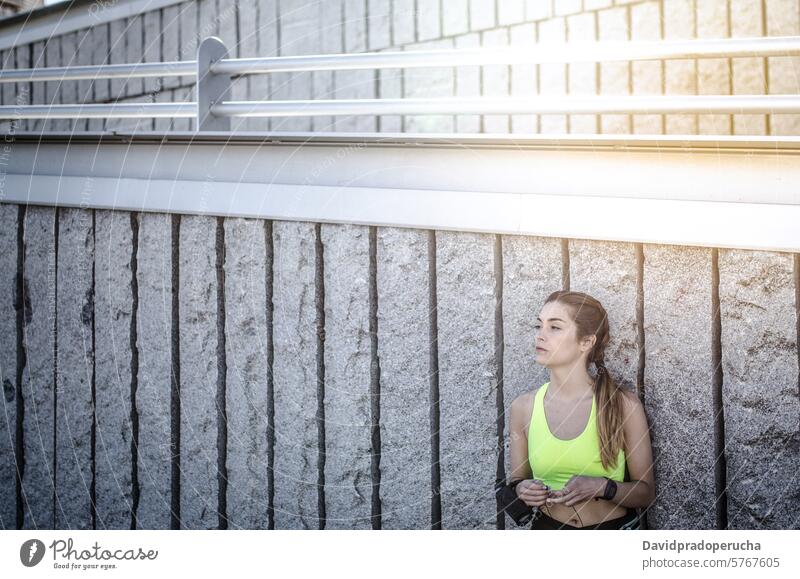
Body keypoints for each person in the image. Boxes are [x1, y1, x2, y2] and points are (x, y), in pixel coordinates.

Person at [505, 290, 655, 530]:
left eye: (554, 327)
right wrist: (522, 489)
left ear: (586, 341)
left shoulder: (623, 405)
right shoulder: (523, 408)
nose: (540, 336)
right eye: (538, 325)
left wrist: (602, 487)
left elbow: (646, 493)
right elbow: (516, 480)